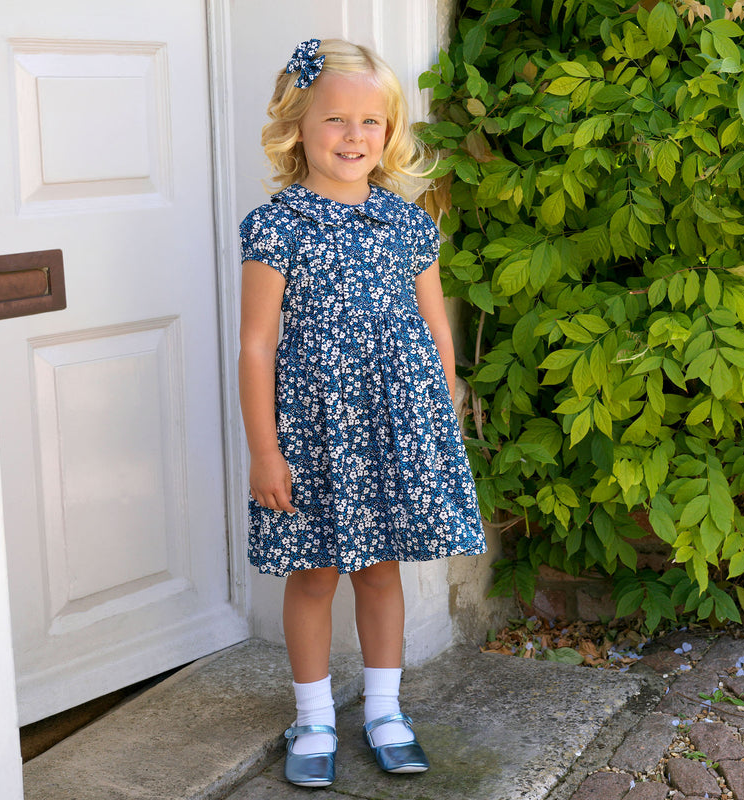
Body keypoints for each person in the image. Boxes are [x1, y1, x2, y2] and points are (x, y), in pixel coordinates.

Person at [238, 37, 487, 788]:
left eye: (370, 122)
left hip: (391, 430)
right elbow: (256, 346)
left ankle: (385, 709)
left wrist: (434, 426)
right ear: (296, 127)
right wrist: (264, 451)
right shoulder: (276, 225)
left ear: (390, 131)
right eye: (335, 120)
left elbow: (437, 332)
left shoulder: (407, 224)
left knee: (382, 572)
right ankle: (312, 715)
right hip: (311, 435)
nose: (353, 137)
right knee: (313, 574)